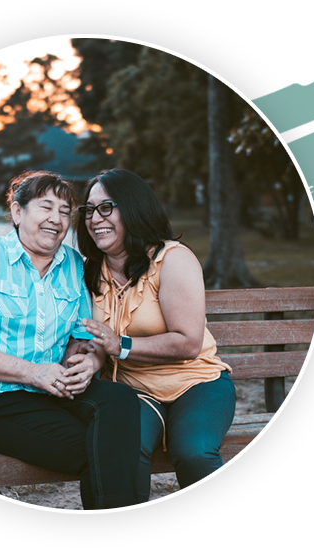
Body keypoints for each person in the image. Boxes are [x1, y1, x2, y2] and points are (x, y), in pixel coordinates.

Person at [0, 170, 143, 510]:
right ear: (17, 212)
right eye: (45, 207)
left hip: (51, 393)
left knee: (119, 399)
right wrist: (34, 373)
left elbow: (83, 338)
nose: (56, 219)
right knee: (106, 449)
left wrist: (88, 362)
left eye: (64, 211)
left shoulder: (73, 264)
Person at [75, 168, 236, 499]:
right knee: (122, 452)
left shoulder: (172, 260)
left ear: (134, 208)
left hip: (196, 384)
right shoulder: (88, 270)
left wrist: (119, 345)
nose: (94, 218)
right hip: (132, 391)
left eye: (106, 207)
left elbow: (188, 341)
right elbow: (90, 338)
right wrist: (90, 358)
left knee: (194, 452)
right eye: (89, 210)